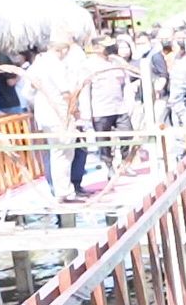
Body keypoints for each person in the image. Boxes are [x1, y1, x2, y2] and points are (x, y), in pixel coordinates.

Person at [31, 32, 87, 202]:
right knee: (62, 153)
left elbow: (28, 90)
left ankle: (63, 190)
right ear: (62, 49)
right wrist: (74, 110)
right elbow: (65, 92)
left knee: (58, 153)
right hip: (58, 113)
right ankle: (64, 192)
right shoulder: (54, 64)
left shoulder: (37, 63)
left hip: (47, 113)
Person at [86, 39, 135, 173]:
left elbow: (126, 82)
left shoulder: (117, 62)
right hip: (100, 109)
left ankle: (126, 163)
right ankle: (108, 166)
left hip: (120, 107)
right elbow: (85, 91)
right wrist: (86, 114)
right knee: (104, 141)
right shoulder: (89, 65)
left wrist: (129, 103)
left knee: (128, 134)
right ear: (97, 48)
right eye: (105, 47)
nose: (110, 49)